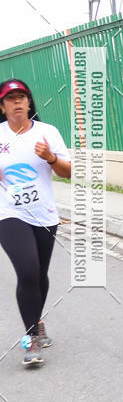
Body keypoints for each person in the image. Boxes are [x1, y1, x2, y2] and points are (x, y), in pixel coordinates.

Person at [0, 79, 71, 368]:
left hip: (43, 214)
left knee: (40, 275)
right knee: (27, 270)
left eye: (22, 97)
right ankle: (31, 338)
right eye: (10, 98)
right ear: (2, 106)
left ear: (29, 103)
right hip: (8, 213)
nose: (17, 102)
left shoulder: (47, 132)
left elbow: (68, 172)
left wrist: (51, 157)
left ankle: (36, 320)